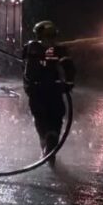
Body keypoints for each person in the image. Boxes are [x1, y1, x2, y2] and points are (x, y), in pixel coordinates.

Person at [22, 20, 76, 163]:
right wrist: (68, 84)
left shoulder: (30, 48)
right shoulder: (59, 50)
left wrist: (28, 88)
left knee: (40, 119)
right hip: (54, 91)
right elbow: (69, 68)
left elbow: (25, 70)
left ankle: (46, 142)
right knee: (55, 119)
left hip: (36, 92)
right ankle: (51, 142)